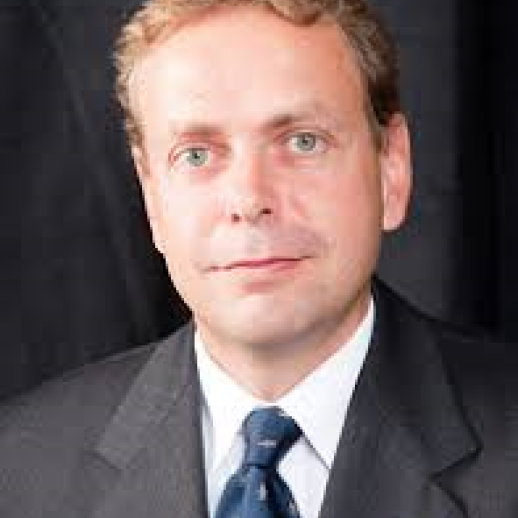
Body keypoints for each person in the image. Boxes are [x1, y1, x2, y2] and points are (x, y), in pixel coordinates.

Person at [1, 0, 517, 516]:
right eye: (197, 154)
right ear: (152, 196)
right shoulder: (20, 468)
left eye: (303, 142)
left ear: (391, 169)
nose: (250, 199)